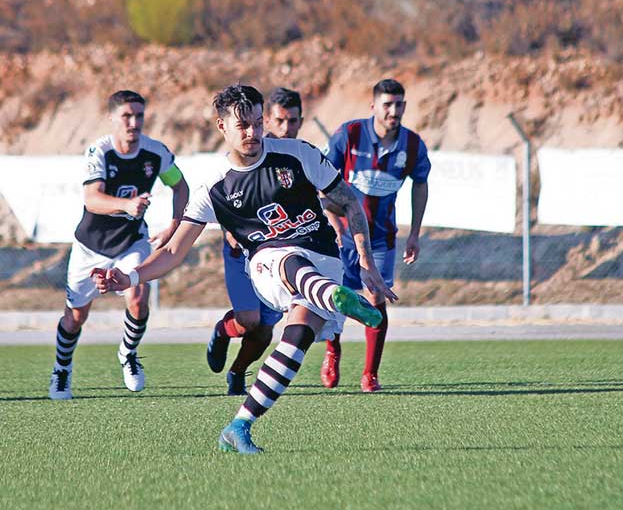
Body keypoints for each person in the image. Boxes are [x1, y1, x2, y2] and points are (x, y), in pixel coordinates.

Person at [93, 84, 396, 454]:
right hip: (269, 266)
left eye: (257, 122)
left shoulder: (298, 155)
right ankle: (334, 296)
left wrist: (366, 263)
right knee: (287, 260)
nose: (253, 133)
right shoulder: (214, 188)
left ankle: (239, 425)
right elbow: (173, 251)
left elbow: (349, 202)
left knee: (296, 341)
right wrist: (130, 277)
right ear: (222, 126)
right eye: (243, 126)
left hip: (323, 258)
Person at [49, 90, 190, 400]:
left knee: (138, 297)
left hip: (132, 242)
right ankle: (62, 370)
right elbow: (92, 199)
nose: (133, 122)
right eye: (126, 116)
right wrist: (126, 206)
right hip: (90, 245)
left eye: (138, 115)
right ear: (112, 118)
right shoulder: (99, 152)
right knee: (75, 318)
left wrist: (174, 225)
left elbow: (180, 186)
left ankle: (128, 353)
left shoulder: (156, 153)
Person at [321, 79, 430, 392]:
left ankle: (370, 373)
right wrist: (336, 223)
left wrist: (415, 234)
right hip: (341, 236)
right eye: (387, 104)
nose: (393, 111)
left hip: (381, 237)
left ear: (405, 107)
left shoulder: (411, 145)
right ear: (374, 107)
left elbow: (420, 185)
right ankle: (332, 351)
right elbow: (323, 182)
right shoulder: (349, 135)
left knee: (375, 299)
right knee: (335, 298)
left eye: (398, 105)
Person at [206, 87, 305, 396]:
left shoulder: (297, 156)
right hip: (244, 253)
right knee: (249, 320)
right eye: (279, 121)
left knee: (263, 332)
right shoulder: (243, 157)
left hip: (281, 254)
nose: (286, 128)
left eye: (293, 121)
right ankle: (223, 331)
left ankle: (237, 372)